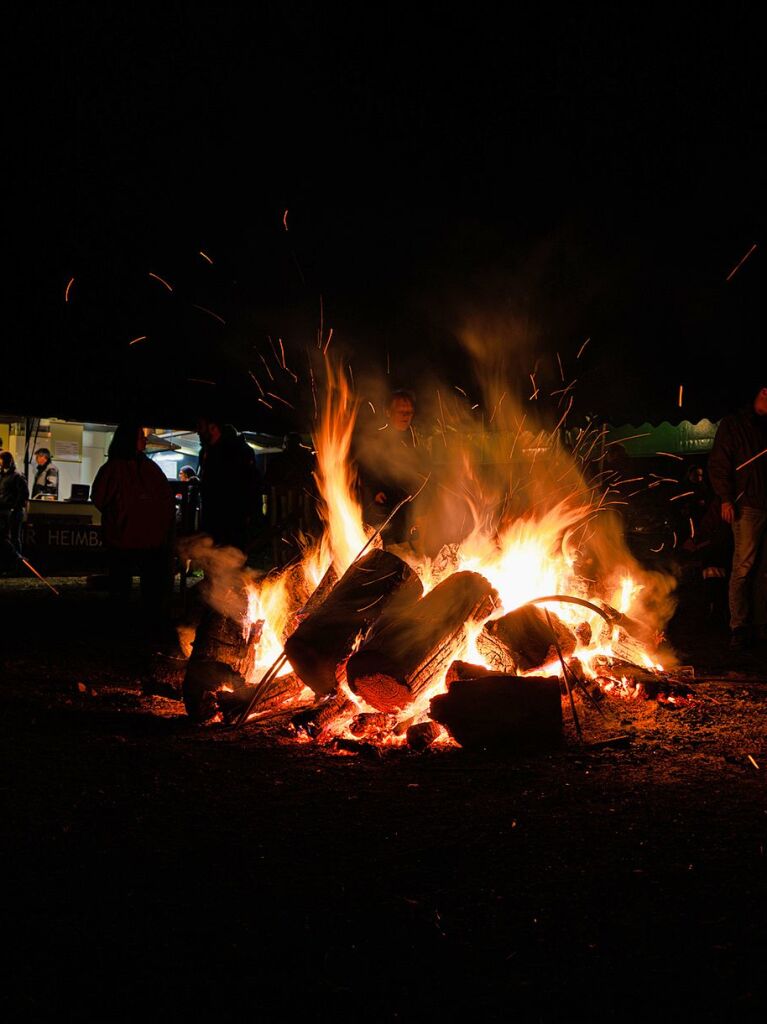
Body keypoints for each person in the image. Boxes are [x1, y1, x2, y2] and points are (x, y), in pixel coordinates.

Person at [91, 421, 176, 626]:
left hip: (144, 538)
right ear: (129, 440)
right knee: (123, 584)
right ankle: (123, 622)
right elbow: (100, 497)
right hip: (125, 537)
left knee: (147, 585)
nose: (145, 439)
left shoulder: (148, 468)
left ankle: (144, 620)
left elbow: (164, 498)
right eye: (141, 436)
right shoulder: (116, 469)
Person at [708, 383, 767, 649]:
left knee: (762, 569)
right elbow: (719, 462)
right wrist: (726, 498)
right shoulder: (735, 424)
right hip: (747, 506)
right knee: (742, 567)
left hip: (764, 504)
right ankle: (739, 627)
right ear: (763, 392)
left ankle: (760, 625)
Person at [355, 389, 429, 546]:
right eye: (401, 411)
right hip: (384, 505)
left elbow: (423, 470)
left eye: (409, 412)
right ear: (388, 412)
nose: (406, 416)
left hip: (408, 505)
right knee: (386, 546)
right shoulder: (377, 437)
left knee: (408, 547)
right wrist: (374, 490)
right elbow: (366, 467)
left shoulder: (415, 438)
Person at [196, 415, 263, 552]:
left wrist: (249, 514)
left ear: (213, 428)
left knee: (230, 558)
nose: (198, 432)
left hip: (232, 520)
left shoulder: (237, 451)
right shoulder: (206, 452)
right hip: (212, 519)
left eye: (201, 428)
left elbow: (250, 484)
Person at [0, 451, 29, 573]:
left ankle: (17, 565)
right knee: (7, 538)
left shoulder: (17, 476)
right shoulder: (4, 476)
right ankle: (9, 564)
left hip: (13, 512)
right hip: (4, 511)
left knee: (14, 538)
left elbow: (24, 494)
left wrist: (14, 508)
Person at [176, 465, 201, 534]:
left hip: (185, 518)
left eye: (181, 473)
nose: (179, 475)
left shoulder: (191, 485)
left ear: (186, 474)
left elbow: (186, 501)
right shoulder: (193, 484)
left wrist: (177, 498)